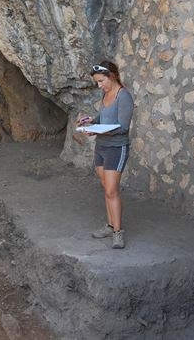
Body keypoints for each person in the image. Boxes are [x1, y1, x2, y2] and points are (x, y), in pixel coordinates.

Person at [76, 61, 134, 249]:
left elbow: (122, 127)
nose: (99, 86)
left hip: (116, 148)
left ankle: (118, 232)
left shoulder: (123, 96)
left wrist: (96, 131)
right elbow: (104, 119)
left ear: (112, 76)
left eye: (101, 81)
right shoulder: (106, 94)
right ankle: (110, 225)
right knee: (105, 188)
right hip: (101, 147)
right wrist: (91, 121)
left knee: (111, 190)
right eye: (97, 83)